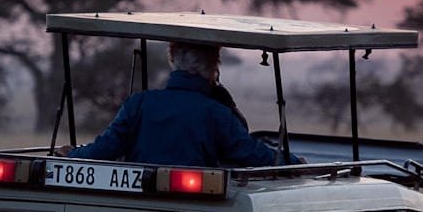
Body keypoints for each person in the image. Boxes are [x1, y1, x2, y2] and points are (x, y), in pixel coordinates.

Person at [57, 42, 288, 167]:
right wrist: (293, 162)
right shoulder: (217, 114)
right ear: (212, 68)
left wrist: (74, 155)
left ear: (173, 61)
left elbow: (105, 149)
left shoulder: (138, 104)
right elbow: (251, 153)